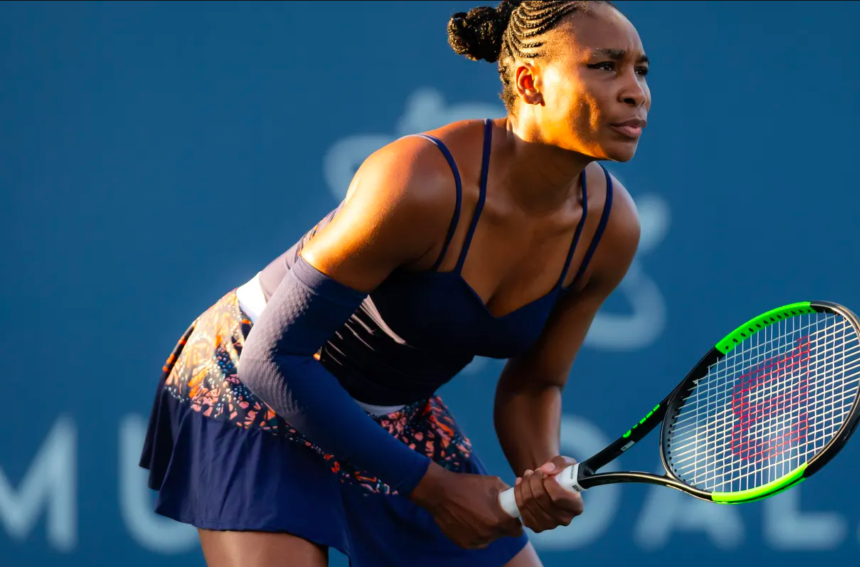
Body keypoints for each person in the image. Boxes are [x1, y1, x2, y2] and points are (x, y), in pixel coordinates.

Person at [139, 1, 651, 565]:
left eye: (641, 71)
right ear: (531, 83)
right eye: (605, 66)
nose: (635, 92)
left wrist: (542, 470)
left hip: (393, 415)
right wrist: (432, 488)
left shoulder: (611, 230)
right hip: (250, 379)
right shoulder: (421, 181)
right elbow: (272, 358)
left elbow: (534, 384)